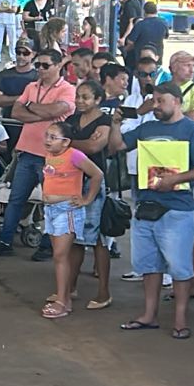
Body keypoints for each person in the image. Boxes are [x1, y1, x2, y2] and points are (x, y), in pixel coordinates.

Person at [118, 84, 194, 340]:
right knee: (149, 265)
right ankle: (149, 314)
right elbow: (117, 145)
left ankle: (180, 318)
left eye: (161, 101)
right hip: (145, 205)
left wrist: (176, 179)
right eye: (154, 101)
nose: (156, 105)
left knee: (179, 266)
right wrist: (115, 121)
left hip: (177, 208)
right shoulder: (147, 128)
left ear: (177, 101)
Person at [0, 48, 76, 259]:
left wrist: (31, 107)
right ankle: (5, 240)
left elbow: (56, 111)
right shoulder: (31, 85)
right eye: (38, 65)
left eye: (45, 65)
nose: (40, 69)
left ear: (58, 65)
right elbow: (16, 112)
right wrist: (42, 112)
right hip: (27, 151)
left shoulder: (67, 89)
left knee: (51, 201)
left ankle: (47, 245)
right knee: (16, 199)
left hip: (51, 155)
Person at [38, 123, 103, 319]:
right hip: (51, 209)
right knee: (59, 256)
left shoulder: (74, 155)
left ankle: (62, 301)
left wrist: (87, 199)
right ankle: (63, 298)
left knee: (60, 256)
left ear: (65, 141)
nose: (48, 140)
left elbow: (97, 174)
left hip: (67, 209)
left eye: (53, 137)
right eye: (47, 135)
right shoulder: (50, 155)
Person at [64, 81, 115, 309]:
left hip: (93, 182)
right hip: (73, 181)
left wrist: (68, 143)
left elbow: (95, 148)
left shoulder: (104, 120)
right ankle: (69, 287)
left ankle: (103, 292)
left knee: (97, 239)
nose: (80, 101)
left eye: (85, 97)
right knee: (75, 238)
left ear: (97, 100)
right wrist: (79, 143)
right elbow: (56, 143)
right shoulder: (72, 120)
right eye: (78, 96)